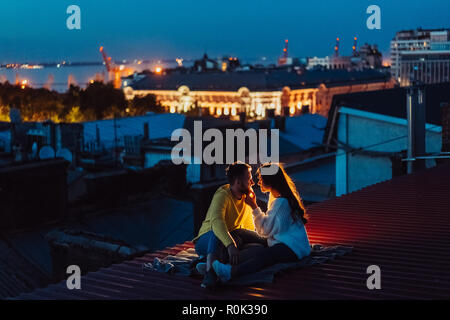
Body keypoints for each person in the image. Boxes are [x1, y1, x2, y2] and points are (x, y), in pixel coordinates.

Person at [212, 163, 311, 283]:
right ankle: (219, 261)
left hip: (292, 248)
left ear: (269, 180)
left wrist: (254, 206)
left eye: (260, 179)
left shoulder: (281, 203)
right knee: (239, 232)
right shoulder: (275, 197)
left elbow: (264, 230)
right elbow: (267, 229)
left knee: (265, 255)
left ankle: (230, 272)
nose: (257, 182)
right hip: (276, 239)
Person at [192, 161, 267, 289]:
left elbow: (247, 227)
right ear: (238, 182)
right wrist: (231, 245)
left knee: (260, 246)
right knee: (217, 235)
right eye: (249, 179)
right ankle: (210, 273)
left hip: (230, 239)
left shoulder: (246, 197)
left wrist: (253, 205)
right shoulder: (222, 195)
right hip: (207, 239)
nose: (252, 183)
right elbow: (217, 222)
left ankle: (215, 263)